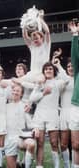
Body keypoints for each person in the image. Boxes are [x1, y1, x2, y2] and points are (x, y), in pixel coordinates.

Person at [29, 62, 66, 168]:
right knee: (40, 143)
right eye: (46, 69)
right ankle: (39, 166)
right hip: (39, 115)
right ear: (43, 72)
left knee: (54, 143)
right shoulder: (40, 83)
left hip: (53, 116)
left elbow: (66, 79)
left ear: (54, 71)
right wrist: (43, 93)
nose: (48, 71)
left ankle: (57, 166)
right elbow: (32, 98)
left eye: (50, 69)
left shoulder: (58, 83)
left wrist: (59, 65)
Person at [5, 83, 38, 168]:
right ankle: (17, 162)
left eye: (18, 91)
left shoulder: (24, 106)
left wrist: (35, 128)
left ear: (21, 94)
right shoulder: (5, 106)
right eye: (14, 90)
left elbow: (30, 123)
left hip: (20, 137)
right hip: (8, 139)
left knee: (31, 144)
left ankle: (26, 165)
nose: (15, 92)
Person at [52, 49, 73, 168]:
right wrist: (55, 58)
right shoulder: (62, 78)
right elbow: (52, 69)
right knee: (64, 144)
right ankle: (66, 166)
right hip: (64, 113)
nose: (70, 68)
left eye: (72, 66)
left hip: (76, 113)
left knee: (76, 144)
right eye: (69, 66)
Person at [22, 17, 51, 82]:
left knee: (38, 83)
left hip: (42, 74)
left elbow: (47, 32)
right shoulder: (32, 47)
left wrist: (39, 19)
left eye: (37, 38)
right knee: (14, 82)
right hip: (32, 74)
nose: (35, 40)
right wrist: (24, 24)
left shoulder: (46, 45)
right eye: (34, 39)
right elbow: (25, 36)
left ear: (42, 38)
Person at [68, 21, 79, 168]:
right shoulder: (77, 70)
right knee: (76, 144)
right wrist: (75, 35)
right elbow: (75, 55)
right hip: (76, 107)